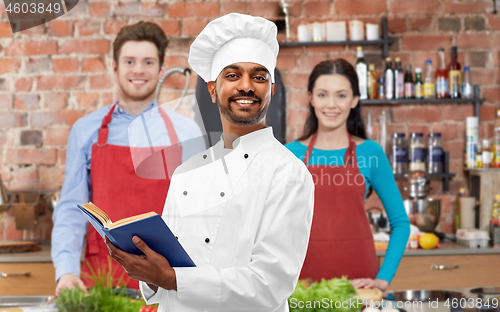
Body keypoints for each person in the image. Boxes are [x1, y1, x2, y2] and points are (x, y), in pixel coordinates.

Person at [105, 13, 314, 311]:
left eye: (259, 77)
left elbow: (271, 284)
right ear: (213, 90)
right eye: (232, 75)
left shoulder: (288, 173)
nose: (246, 86)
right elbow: (164, 277)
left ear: (271, 90)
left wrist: (172, 279)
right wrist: (148, 273)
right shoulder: (186, 172)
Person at [51, 21, 204, 295]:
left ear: (159, 71)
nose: (138, 70)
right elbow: (71, 209)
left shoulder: (186, 133)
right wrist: (66, 271)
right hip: (100, 281)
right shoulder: (86, 131)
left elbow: (198, 215)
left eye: (148, 62)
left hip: (166, 284)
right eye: (130, 61)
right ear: (115, 68)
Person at [285, 59, 410, 291]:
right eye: (323, 95)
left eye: (341, 95)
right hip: (303, 284)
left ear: (354, 100)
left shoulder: (371, 153)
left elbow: (401, 223)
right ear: (311, 98)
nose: (331, 104)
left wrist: (382, 280)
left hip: (359, 282)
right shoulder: (288, 154)